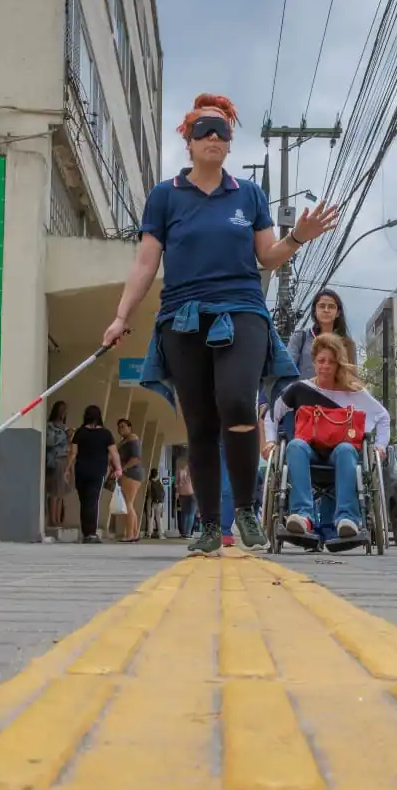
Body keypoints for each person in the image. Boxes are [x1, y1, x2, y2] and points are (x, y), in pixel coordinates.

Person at [103, 93, 339, 557]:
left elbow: (267, 255)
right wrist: (119, 317)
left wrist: (297, 237)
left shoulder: (247, 193)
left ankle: (246, 510)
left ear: (230, 144)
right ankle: (210, 525)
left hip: (242, 310)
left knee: (235, 401)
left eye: (222, 132)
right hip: (182, 317)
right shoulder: (165, 195)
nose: (213, 137)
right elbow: (146, 263)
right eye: (203, 131)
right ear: (187, 141)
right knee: (200, 422)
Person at [263, 335, 390, 553]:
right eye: (321, 361)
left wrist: (380, 446)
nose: (325, 366)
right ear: (314, 362)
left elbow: (383, 416)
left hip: (339, 454)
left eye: (331, 362)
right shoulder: (299, 389)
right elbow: (272, 416)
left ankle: (346, 519)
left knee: (347, 449)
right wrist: (270, 442)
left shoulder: (353, 392)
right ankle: (303, 515)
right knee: (295, 445)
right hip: (309, 453)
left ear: (337, 364)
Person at [65, 405, 121, 543]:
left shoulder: (80, 432)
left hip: (81, 471)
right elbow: (114, 452)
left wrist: (66, 469)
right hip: (98, 471)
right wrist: (118, 468)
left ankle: (86, 533)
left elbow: (73, 453)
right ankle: (91, 533)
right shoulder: (106, 434)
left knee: (84, 501)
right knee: (93, 501)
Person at [287, 288, 357, 378]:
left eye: (331, 306)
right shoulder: (300, 338)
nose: (326, 310)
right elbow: (288, 371)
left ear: (338, 313)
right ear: (315, 311)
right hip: (303, 391)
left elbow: (352, 379)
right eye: (322, 306)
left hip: (334, 391)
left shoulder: (347, 344)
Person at [43, 401, 71, 540]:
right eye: (61, 409)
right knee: (54, 491)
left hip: (65, 459)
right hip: (55, 460)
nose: (63, 412)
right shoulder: (50, 426)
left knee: (62, 491)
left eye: (65, 410)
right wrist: (64, 435)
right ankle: (52, 519)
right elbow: (49, 441)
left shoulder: (65, 427)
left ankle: (58, 519)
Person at [115, 418, 145, 541]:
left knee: (128, 503)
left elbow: (136, 458)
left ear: (129, 427)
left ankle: (130, 535)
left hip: (132, 473)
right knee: (129, 503)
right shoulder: (126, 440)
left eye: (123, 426)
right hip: (131, 473)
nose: (120, 429)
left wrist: (122, 469)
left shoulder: (132, 439)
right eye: (119, 426)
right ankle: (134, 533)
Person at [174, 457, 195, 537]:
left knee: (184, 513)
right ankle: (188, 533)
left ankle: (184, 532)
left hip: (182, 494)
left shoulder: (178, 471)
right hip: (193, 493)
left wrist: (177, 493)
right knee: (191, 514)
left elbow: (176, 484)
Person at [144, 468, 165, 538]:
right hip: (160, 502)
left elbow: (147, 492)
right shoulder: (160, 481)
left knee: (150, 517)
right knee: (159, 517)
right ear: (157, 474)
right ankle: (161, 533)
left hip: (151, 501)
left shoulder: (149, 482)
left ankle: (149, 532)